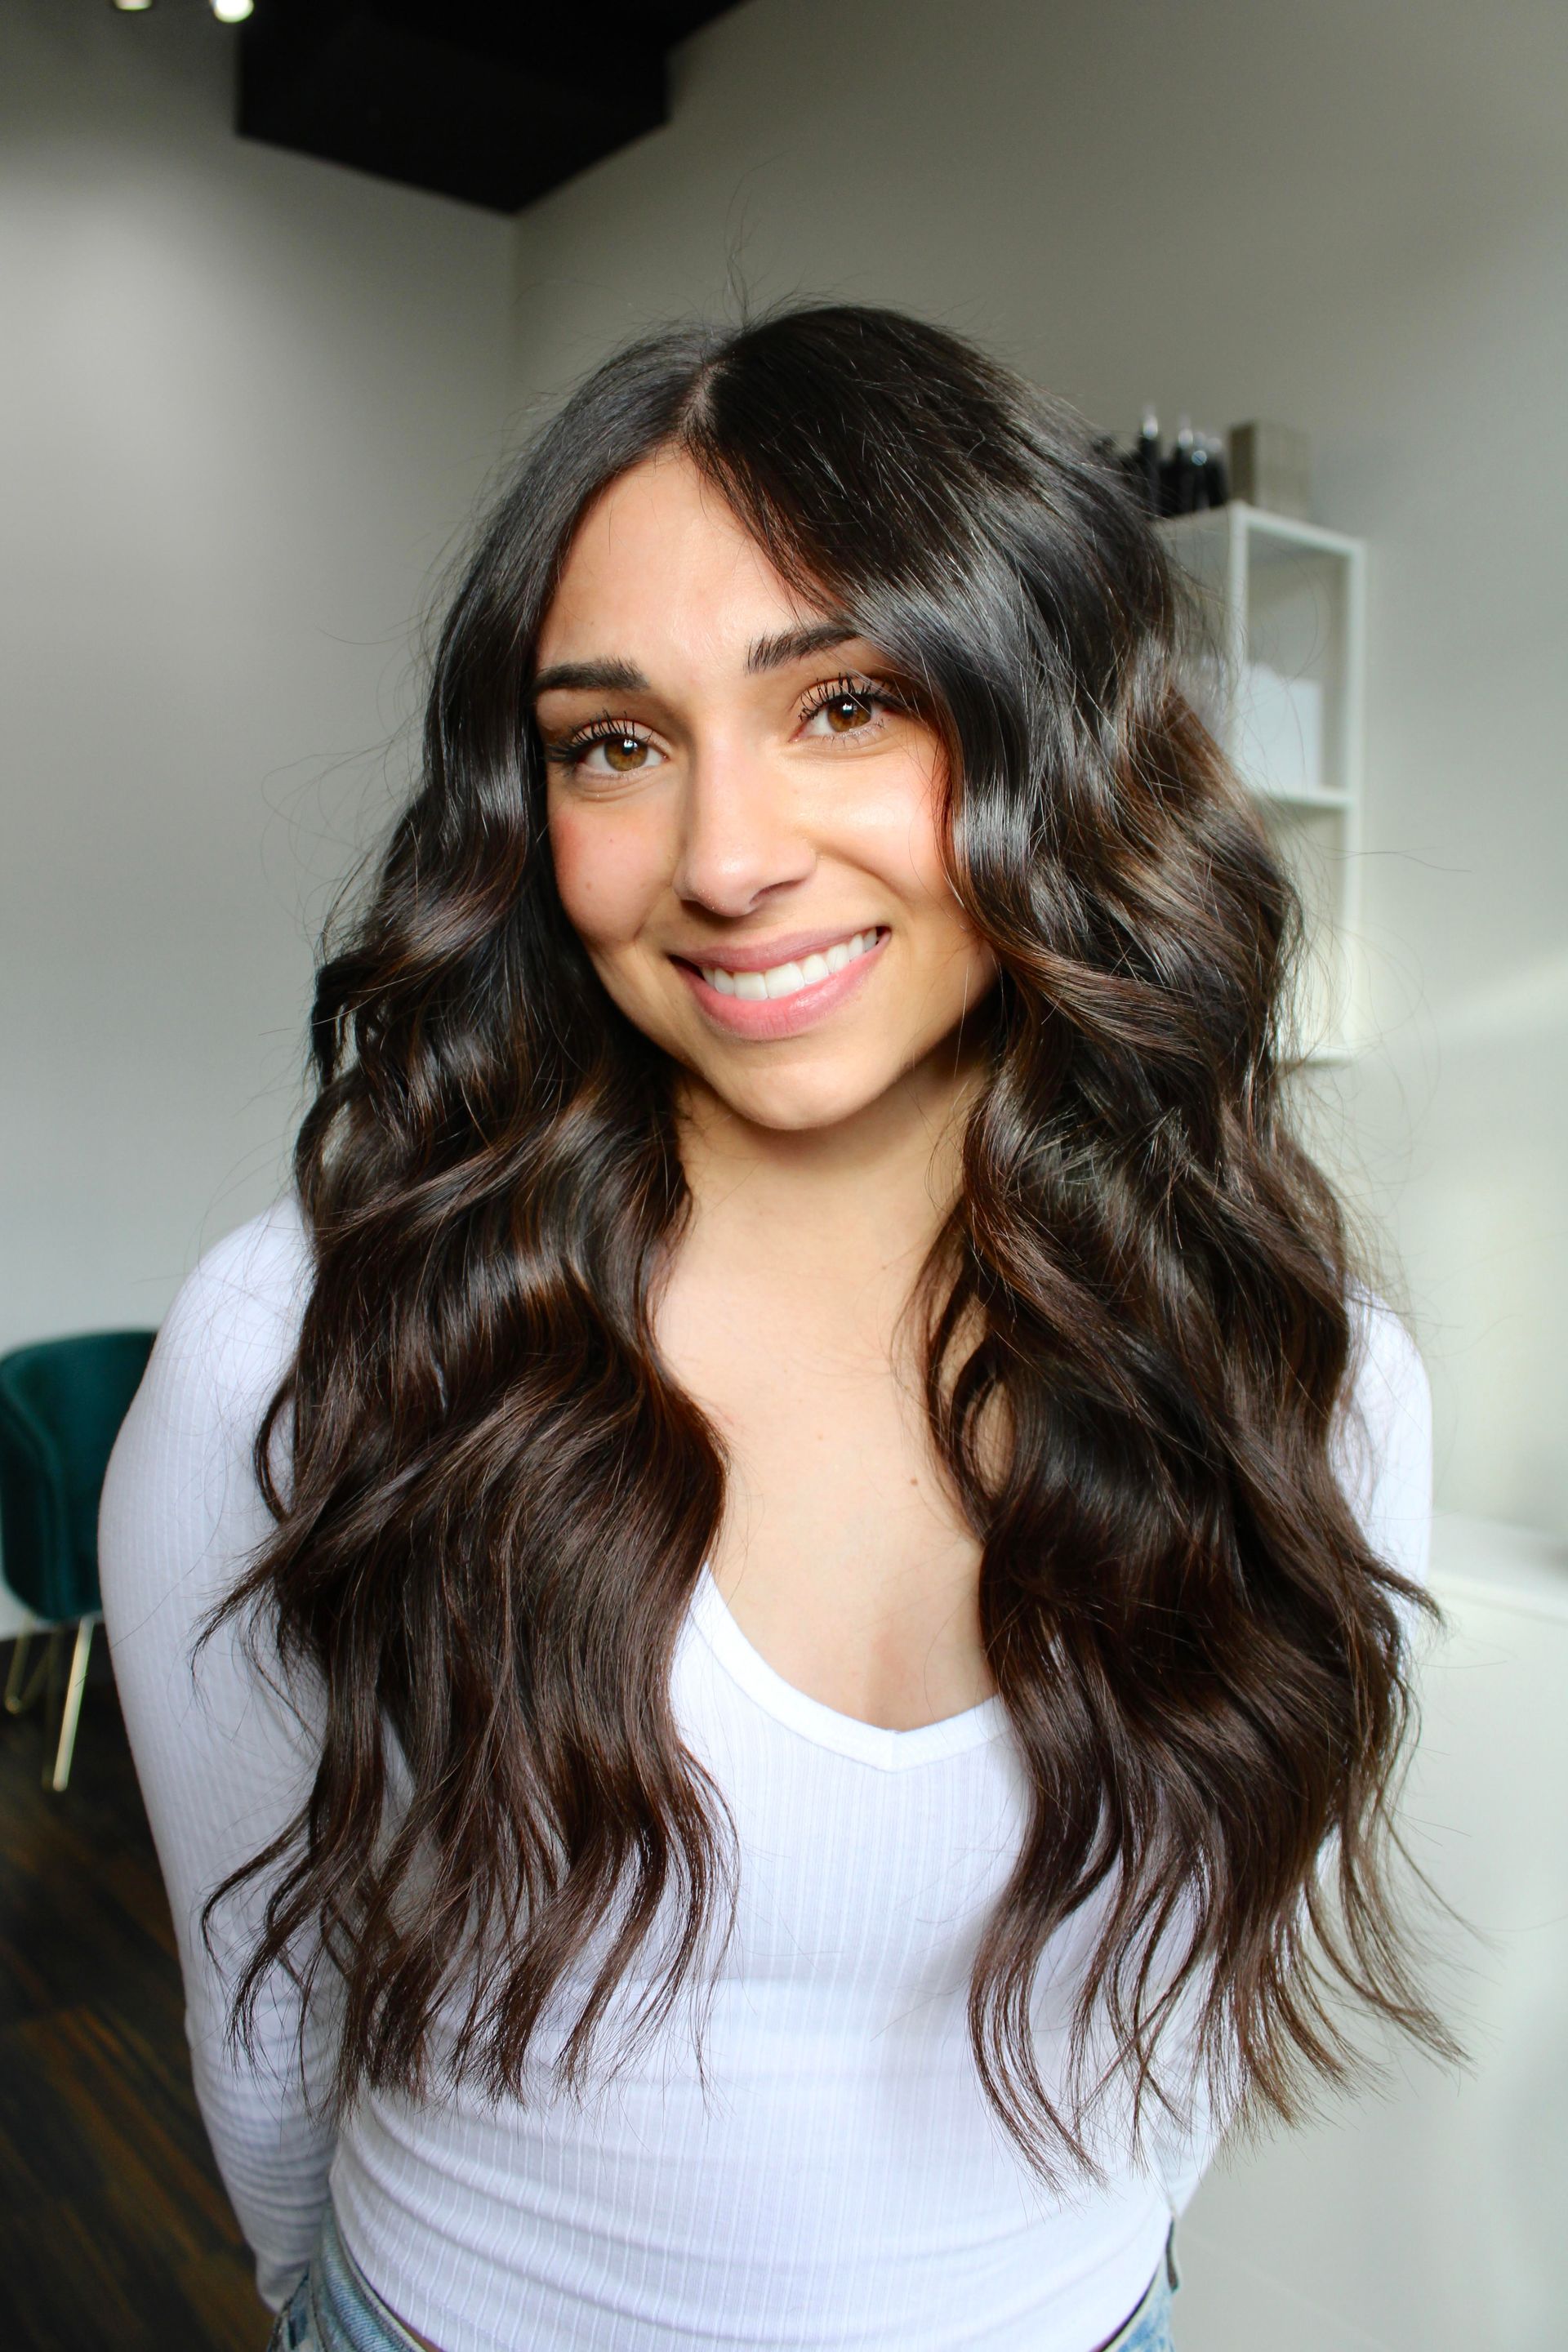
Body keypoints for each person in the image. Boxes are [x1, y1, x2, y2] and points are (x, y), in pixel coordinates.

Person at [100, 305, 1442, 2352]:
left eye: (845, 704)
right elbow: (265, 2010)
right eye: (614, 744)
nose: (725, 862)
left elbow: (1183, 2019)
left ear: (1053, 730)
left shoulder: (1299, 1371)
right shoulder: (302, 1343)